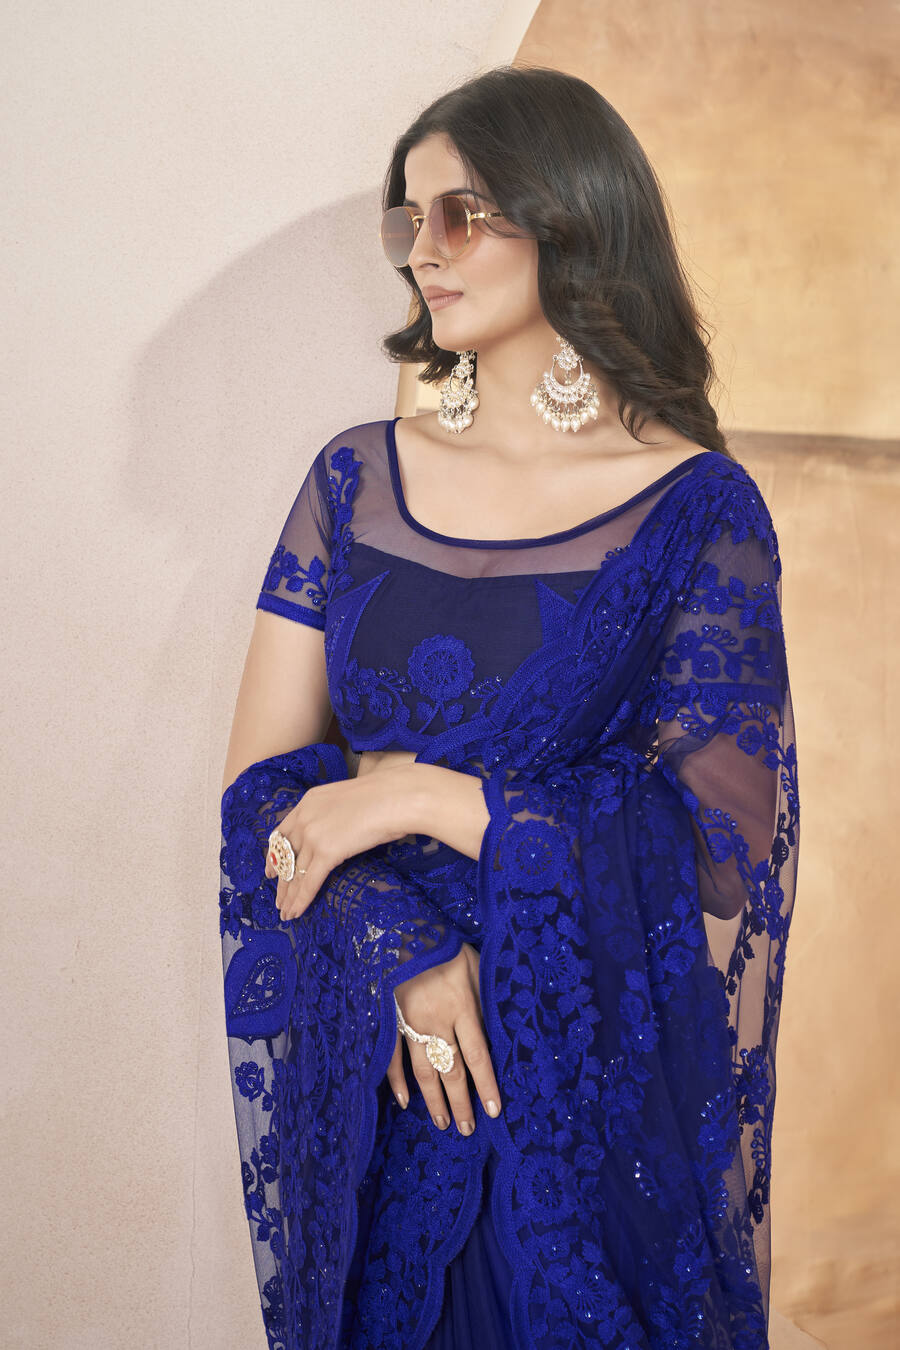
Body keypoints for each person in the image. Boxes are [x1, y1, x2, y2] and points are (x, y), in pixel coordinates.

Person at [218, 64, 800, 1350]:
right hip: (391, 1089)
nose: (421, 252)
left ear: (571, 214)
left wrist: (425, 798)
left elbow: (720, 848)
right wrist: (404, 953)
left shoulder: (698, 510)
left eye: (461, 214)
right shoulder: (353, 482)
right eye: (408, 220)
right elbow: (260, 795)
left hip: (584, 1112)